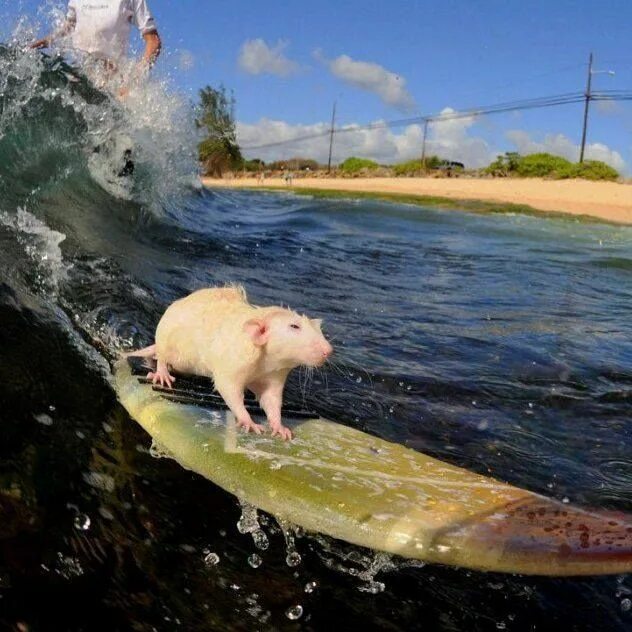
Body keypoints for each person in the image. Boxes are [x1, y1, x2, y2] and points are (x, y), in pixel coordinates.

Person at [31, 1, 161, 93]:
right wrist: (45, 41)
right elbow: (69, 26)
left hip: (113, 87)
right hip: (79, 78)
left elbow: (153, 41)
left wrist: (132, 83)